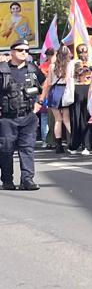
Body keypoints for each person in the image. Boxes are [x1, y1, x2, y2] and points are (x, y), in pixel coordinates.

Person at [0, 43, 43, 190]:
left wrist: (40, 102)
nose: (24, 53)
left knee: (27, 148)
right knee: (6, 149)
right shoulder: (2, 70)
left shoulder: (33, 69)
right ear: (11, 52)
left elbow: (46, 83)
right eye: (20, 50)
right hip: (6, 117)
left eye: (26, 50)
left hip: (28, 115)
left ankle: (27, 179)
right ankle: (7, 180)